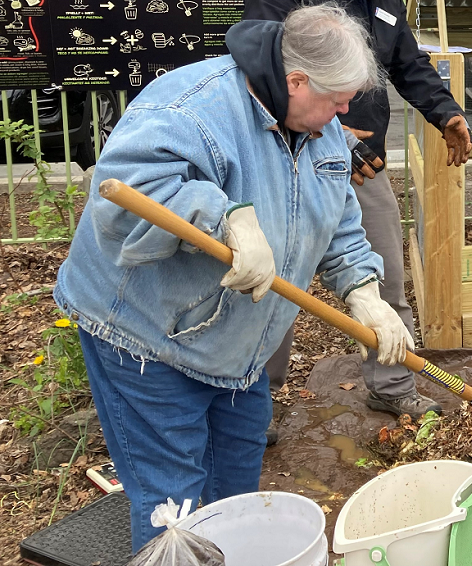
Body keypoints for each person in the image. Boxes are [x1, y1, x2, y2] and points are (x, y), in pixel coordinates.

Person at [53, 5, 412, 551]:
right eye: (337, 100)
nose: (344, 113)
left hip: (238, 349)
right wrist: (225, 215)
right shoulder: (190, 107)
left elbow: (340, 218)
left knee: (237, 497)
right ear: (296, 81)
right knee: (175, 506)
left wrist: (364, 292)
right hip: (146, 338)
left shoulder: (322, 129)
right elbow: (123, 193)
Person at [243, 0, 472, 426]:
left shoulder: (383, 4)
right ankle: (258, 401)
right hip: (282, 159)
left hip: (364, 170)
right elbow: (264, 72)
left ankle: (393, 387)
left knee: (383, 273)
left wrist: (447, 112)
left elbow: (410, 63)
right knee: (271, 281)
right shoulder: (276, 3)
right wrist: (334, 134)